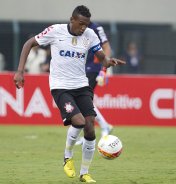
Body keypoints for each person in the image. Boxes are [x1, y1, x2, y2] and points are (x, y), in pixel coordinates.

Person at [13, 5, 125, 183]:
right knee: (79, 121)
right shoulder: (55, 31)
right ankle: (67, 157)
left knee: (90, 127)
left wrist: (107, 61)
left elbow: (101, 55)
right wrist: (20, 71)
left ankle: (85, 173)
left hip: (82, 85)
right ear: (72, 20)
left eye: (86, 25)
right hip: (60, 87)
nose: (83, 28)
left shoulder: (89, 34)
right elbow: (29, 43)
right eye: (80, 24)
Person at [75, 22, 114, 146]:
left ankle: (104, 126)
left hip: (94, 68)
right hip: (83, 68)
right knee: (83, 101)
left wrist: (103, 70)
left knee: (83, 100)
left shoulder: (96, 28)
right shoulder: (77, 29)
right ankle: (102, 126)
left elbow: (107, 47)